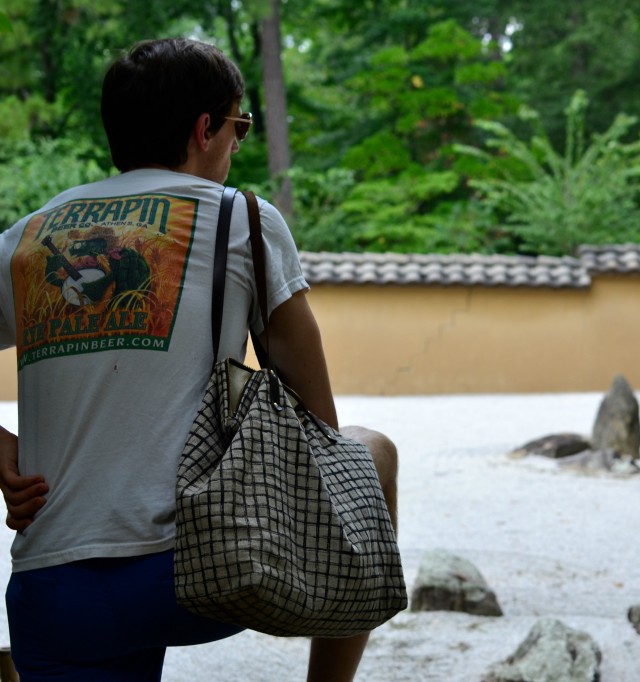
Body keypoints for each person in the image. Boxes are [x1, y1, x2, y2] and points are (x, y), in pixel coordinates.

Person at [0, 38, 398, 681]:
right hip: (200, 570)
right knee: (372, 453)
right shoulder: (242, 218)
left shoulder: (30, 235)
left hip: (51, 588)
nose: (237, 144)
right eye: (237, 126)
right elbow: (320, 425)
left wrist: (0, 446)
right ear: (204, 128)